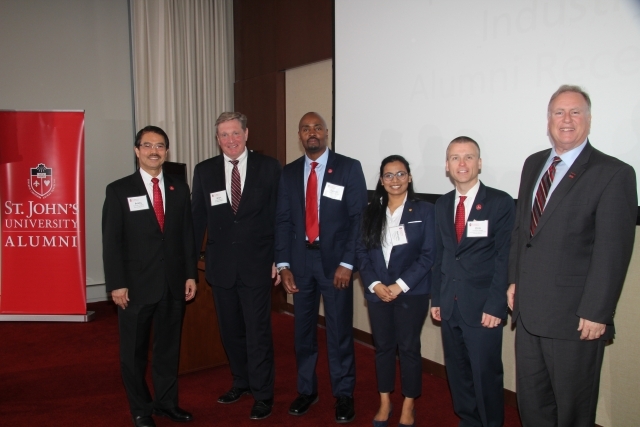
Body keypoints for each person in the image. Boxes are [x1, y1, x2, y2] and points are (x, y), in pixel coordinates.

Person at [507, 85, 637, 427]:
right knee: (532, 405)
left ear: (589, 120)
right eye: (559, 112)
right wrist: (514, 280)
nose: (566, 119)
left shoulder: (614, 173)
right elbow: (522, 230)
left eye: (575, 112)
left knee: (572, 412)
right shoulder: (533, 163)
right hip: (529, 313)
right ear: (548, 120)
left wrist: (597, 311)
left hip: (575, 320)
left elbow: (613, 251)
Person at [275, 112, 368, 423]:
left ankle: (344, 394)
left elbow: (358, 219)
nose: (311, 132)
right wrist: (284, 264)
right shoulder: (289, 172)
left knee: (339, 331)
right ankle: (306, 390)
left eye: (317, 127)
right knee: (302, 332)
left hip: (335, 265)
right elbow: (282, 220)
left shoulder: (348, 167)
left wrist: (348, 262)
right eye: (305, 128)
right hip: (300, 262)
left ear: (326, 133)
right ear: (299, 135)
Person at [102, 126, 197, 427]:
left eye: (159, 146)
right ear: (137, 150)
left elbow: (186, 235)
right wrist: (117, 283)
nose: (153, 151)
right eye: (147, 145)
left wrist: (190, 275)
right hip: (135, 286)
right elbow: (112, 242)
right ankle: (141, 409)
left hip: (172, 283)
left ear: (166, 152)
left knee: (168, 350)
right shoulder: (118, 190)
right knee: (134, 354)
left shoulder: (179, 188)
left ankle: (167, 403)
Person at [191, 112, 282, 420]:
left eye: (235, 133)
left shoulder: (268, 167)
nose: (230, 139)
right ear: (217, 139)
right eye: (224, 135)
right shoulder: (204, 171)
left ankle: (263, 393)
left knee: (258, 333)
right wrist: (189, 266)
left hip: (259, 265)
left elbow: (279, 217)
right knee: (230, 332)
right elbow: (197, 220)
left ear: (246, 134)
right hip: (221, 267)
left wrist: (279, 259)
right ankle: (241, 382)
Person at [430, 137, 515, 427]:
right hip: (449, 304)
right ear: (447, 165)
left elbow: (505, 258)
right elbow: (440, 255)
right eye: (455, 158)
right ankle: (468, 420)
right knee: (458, 373)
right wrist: (437, 299)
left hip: (483, 308)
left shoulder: (500, 202)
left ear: (479, 163)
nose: (462, 163)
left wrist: (496, 305)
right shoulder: (442, 204)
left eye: (468, 157)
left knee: (485, 375)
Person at [356, 155, 435, 427]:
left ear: (409, 178)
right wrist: (375, 284)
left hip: (411, 293)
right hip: (377, 292)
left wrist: (399, 285)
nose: (395, 180)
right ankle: (385, 401)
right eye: (388, 175)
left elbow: (428, 255)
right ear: (381, 180)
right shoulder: (370, 212)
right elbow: (361, 252)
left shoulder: (425, 211)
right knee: (383, 348)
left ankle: (409, 405)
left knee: (409, 348)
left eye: (400, 174)